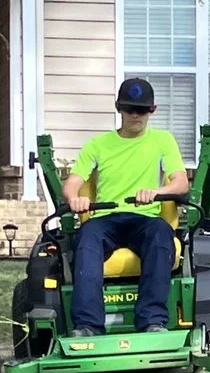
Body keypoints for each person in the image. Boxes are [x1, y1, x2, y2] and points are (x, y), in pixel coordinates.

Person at [62, 78, 190, 336]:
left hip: (145, 218)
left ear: (152, 110)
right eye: (130, 109)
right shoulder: (98, 145)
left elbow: (181, 183)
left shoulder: (163, 141)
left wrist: (157, 192)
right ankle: (87, 325)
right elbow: (72, 184)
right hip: (106, 218)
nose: (136, 115)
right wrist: (75, 198)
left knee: (161, 235)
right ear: (119, 108)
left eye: (142, 110)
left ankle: (153, 322)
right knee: (86, 239)